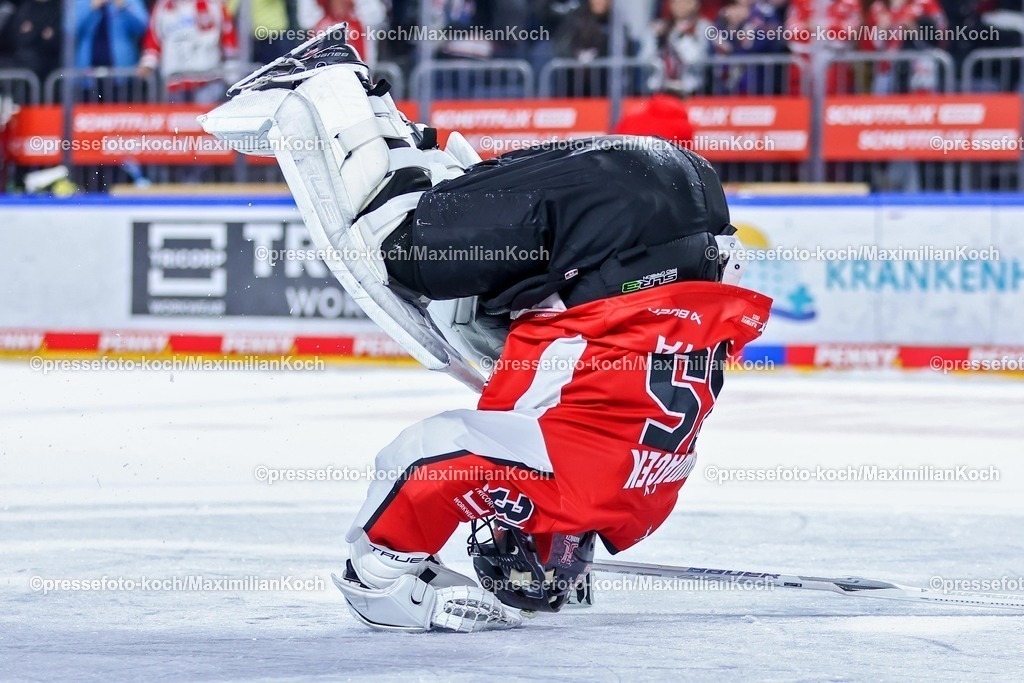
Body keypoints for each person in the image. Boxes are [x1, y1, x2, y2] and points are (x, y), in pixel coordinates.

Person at [202, 33, 772, 632]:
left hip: (682, 204)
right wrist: (381, 569)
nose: (494, 516)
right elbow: (432, 456)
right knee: (397, 251)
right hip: (615, 233)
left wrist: (565, 564)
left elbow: (593, 460)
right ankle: (325, 79)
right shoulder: (555, 489)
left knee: (476, 282)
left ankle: (406, 143)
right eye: (504, 525)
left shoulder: (642, 506)